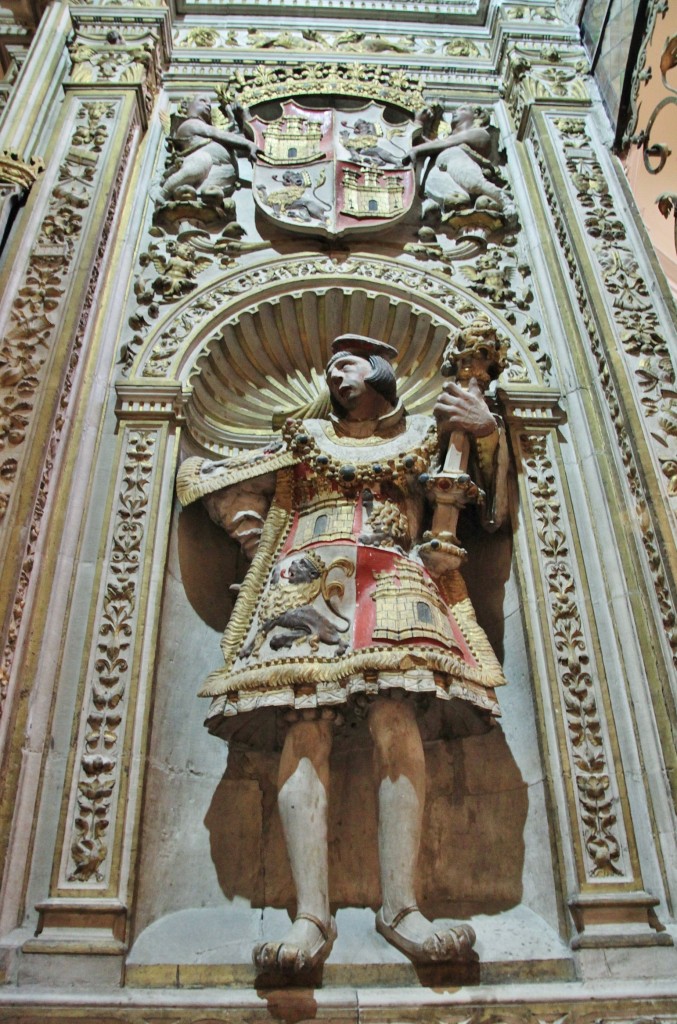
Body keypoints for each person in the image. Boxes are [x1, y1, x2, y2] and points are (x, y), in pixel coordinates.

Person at [176, 334, 509, 973]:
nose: (335, 374)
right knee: (305, 721)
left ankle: (402, 906)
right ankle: (310, 915)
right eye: (329, 367)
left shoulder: (426, 438)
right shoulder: (303, 440)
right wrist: (252, 538)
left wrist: (486, 431)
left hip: (394, 577)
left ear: (381, 371)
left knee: (396, 715)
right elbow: (206, 478)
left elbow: (487, 505)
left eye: (348, 362)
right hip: (311, 583)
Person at [406, 105, 506, 222]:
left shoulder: (480, 133)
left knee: (473, 182)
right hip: (442, 186)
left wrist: (416, 150)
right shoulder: (442, 143)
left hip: (465, 175)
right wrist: (419, 122)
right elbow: (426, 144)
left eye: (462, 109)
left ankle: (504, 201)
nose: (454, 112)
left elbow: (445, 143)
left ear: (476, 114)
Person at [160, 95, 258, 205]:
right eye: (202, 100)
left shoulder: (211, 135)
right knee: (202, 161)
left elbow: (248, 140)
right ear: (185, 105)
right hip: (200, 164)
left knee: (207, 197)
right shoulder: (189, 124)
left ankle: (195, 197)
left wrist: (244, 116)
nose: (208, 105)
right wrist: (249, 144)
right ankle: (165, 192)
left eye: (210, 104)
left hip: (220, 170)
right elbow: (218, 134)